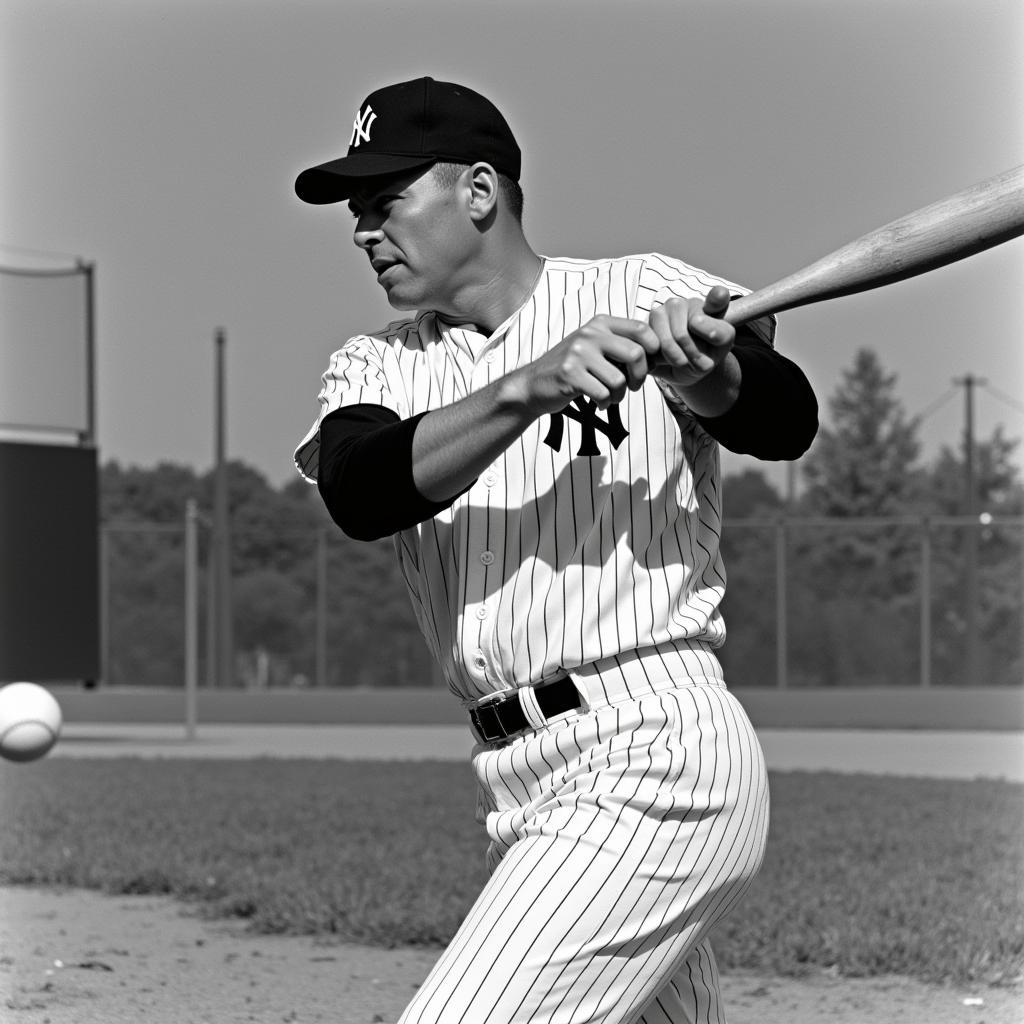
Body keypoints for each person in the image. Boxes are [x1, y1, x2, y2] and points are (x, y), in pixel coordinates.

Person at [293, 76, 817, 1024]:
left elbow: (784, 418)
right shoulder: (379, 363)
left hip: (652, 749)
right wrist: (530, 384)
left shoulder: (639, 290)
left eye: (385, 201)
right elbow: (363, 492)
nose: (363, 230)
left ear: (480, 192)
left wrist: (709, 375)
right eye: (356, 211)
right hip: (520, 784)